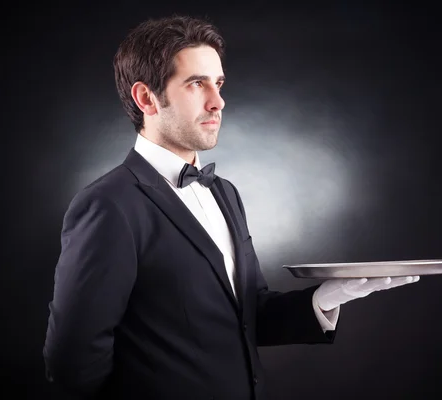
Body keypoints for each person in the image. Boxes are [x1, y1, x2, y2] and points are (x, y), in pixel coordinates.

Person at [43, 15, 420, 400]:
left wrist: (327, 297)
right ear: (146, 98)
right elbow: (72, 362)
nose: (218, 101)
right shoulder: (108, 205)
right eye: (196, 84)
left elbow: (248, 317)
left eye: (218, 83)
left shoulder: (225, 193)